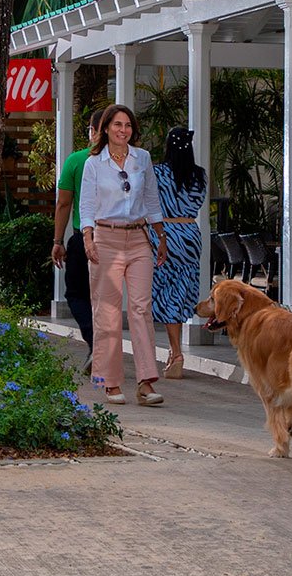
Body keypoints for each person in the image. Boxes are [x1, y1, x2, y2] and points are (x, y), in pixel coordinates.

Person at [76, 103, 169, 407]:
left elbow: (152, 199)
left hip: (139, 237)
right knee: (109, 312)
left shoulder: (142, 159)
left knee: (141, 308)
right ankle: (109, 382)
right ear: (105, 128)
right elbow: (87, 205)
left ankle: (146, 381)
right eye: (117, 125)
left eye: (127, 125)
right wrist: (87, 237)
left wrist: (161, 236)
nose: (123, 130)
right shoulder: (94, 163)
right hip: (106, 238)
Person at [51, 109, 105, 370]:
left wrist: (57, 240)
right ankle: (104, 349)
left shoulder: (76, 160)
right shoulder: (126, 160)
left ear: (93, 131)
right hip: (120, 240)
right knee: (108, 298)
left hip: (84, 238)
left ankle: (95, 342)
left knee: (76, 293)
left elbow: (63, 203)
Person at [150, 126, 207, 379]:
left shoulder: (158, 172)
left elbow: (149, 202)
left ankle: (175, 351)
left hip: (166, 235)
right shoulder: (200, 175)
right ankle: (175, 350)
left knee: (166, 292)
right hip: (190, 233)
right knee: (182, 289)